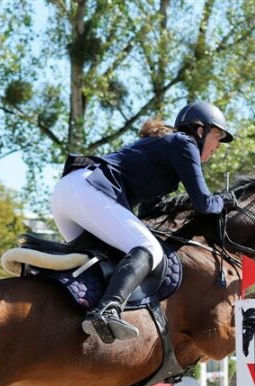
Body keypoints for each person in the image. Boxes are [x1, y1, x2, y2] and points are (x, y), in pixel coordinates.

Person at [50, 101, 237, 344]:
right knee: (149, 249)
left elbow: (150, 210)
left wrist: (184, 204)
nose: (218, 146)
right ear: (201, 131)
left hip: (67, 193)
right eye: (217, 137)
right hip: (88, 190)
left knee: (105, 260)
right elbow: (205, 203)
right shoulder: (185, 142)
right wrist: (224, 200)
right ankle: (107, 310)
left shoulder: (166, 148)